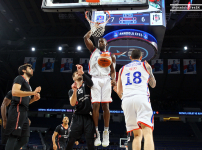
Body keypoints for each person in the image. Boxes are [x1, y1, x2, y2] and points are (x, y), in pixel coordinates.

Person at [117, 49, 156, 150]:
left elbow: (118, 90)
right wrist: (150, 71)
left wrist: (126, 98)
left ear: (130, 58)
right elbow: (153, 84)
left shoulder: (122, 69)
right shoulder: (145, 65)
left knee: (137, 135)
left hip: (126, 101)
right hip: (141, 98)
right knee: (147, 132)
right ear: (141, 57)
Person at [84, 26, 116, 147]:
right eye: (99, 41)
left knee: (105, 105)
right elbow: (85, 38)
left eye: (102, 41)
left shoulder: (111, 56)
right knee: (95, 105)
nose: (100, 42)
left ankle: (106, 131)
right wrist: (93, 28)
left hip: (106, 79)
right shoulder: (93, 51)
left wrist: (113, 79)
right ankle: (96, 132)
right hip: (95, 79)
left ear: (106, 43)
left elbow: (113, 71)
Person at [5, 64, 41, 150]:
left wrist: (33, 100)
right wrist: (32, 93)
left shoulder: (28, 85)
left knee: (25, 139)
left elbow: (26, 102)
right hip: (17, 110)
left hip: (24, 112)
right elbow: (14, 92)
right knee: (13, 136)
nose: (32, 69)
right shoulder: (20, 78)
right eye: (30, 68)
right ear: (24, 70)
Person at [66, 65, 96, 150]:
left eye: (79, 73)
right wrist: (75, 91)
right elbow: (72, 103)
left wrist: (82, 73)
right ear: (73, 78)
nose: (78, 74)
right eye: (76, 73)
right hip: (77, 117)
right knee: (71, 140)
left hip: (88, 116)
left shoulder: (86, 85)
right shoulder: (71, 90)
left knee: (90, 142)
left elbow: (91, 83)